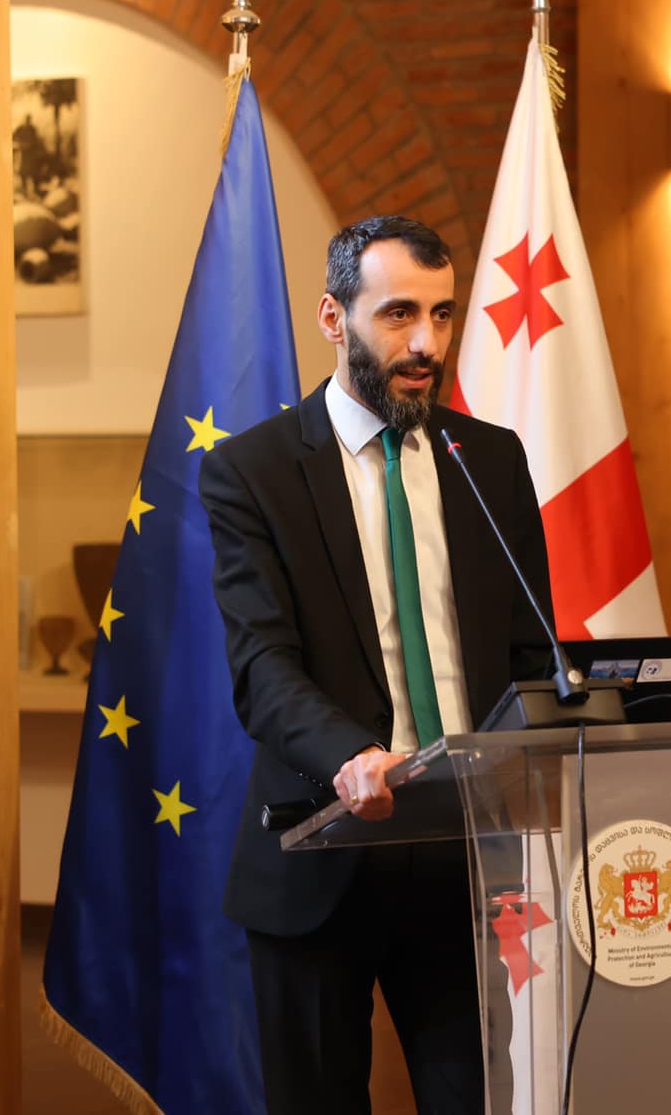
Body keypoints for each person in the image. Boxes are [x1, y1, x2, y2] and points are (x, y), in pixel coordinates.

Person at [201, 215, 555, 1115]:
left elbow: (529, 651)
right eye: (399, 314)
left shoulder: (491, 460)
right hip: (322, 848)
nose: (426, 343)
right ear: (334, 317)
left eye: (442, 314)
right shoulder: (255, 473)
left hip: (461, 852)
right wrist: (351, 755)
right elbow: (263, 666)